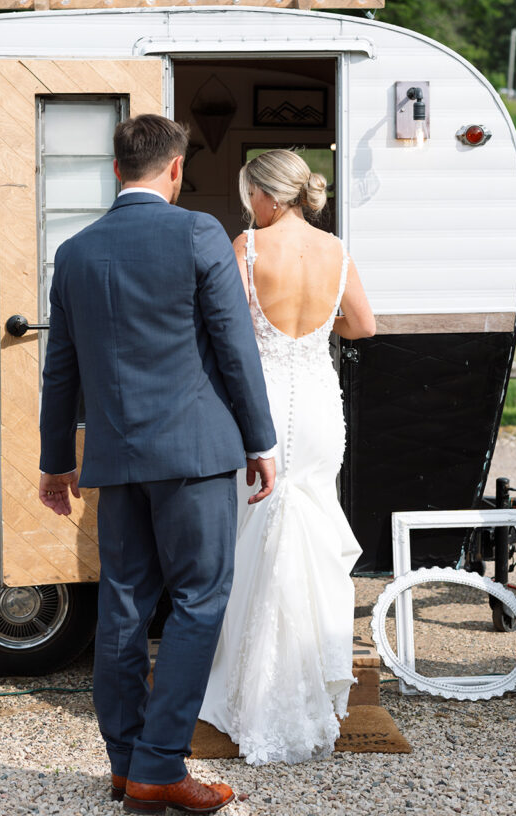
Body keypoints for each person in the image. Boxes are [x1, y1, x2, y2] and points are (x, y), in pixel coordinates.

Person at [38, 114, 277, 815]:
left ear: (117, 170)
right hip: (197, 455)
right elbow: (235, 347)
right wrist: (261, 442)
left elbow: (60, 370)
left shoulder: (75, 252)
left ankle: (127, 763)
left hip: (117, 458)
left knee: (122, 606)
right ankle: (160, 766)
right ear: (175, 169)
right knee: (198, 602)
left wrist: (57, 461)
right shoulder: (200, 233)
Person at [199, 148, 376, 764]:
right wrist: (318, 329)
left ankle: (252, 690)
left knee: (257, 529)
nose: (249, 204)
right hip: (320, 403)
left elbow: (221, 329)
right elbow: (364, 326)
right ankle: (310, 686)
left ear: (265, 196)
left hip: (265, 400)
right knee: (312, 526)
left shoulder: (247, 246)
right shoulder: (336, 251)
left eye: (250, 193)